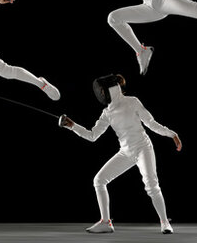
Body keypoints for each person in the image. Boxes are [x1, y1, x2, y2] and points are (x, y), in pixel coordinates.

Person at [59, 74, 181, 234]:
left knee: (151, 185)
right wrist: (72, 126)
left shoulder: (132, 101)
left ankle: (165, 222)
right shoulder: (107, 113)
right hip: (126, 152)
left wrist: (172, 134)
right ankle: (106, 222)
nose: (101, 94)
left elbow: (151, 123)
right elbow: (92, 135)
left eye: (103, 91)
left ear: (112, 89)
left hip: (143, 148)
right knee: (99, 180)